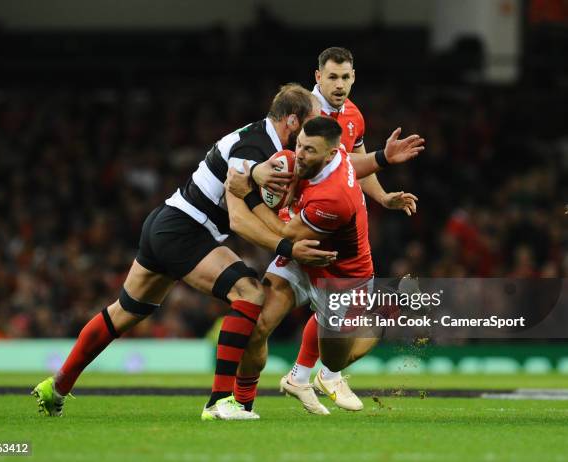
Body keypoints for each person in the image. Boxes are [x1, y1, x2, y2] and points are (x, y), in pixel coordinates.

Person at [31, 83, 339, 421]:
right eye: (312, 122)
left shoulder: (259, 141)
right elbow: (237, 220)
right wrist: (287, 247)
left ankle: (56, 386)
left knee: (124, 312)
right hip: (185, 229)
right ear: (293, 121)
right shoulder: (256, 146)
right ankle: (219, 402)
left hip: (166, 223)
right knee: (249, 293)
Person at [226, 115, 424, 416]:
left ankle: (385, 310)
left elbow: (285, 234)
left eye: (309, 151)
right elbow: (352, 164)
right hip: (304, 258)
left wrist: (249, 195)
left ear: (329, 154)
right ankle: (241, 404)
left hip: (344, 277)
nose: (300, 155)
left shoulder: (333, 198)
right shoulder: (331, 157)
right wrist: (383, 158)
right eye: (300, 145)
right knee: (259, 324)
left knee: (336, 362)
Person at [287, 47, 419, 412]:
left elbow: (356, 166)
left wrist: (382, 197)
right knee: (279, 304)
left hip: (343, 220)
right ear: (317, 77)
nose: (340, 84)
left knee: (339, 308)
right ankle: (238, 397)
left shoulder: (353, 117)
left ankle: (303, 377)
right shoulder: (301, 113)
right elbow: (284, 162)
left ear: (354, 77)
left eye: (345, 77)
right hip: (305, 219)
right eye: (332, 77)